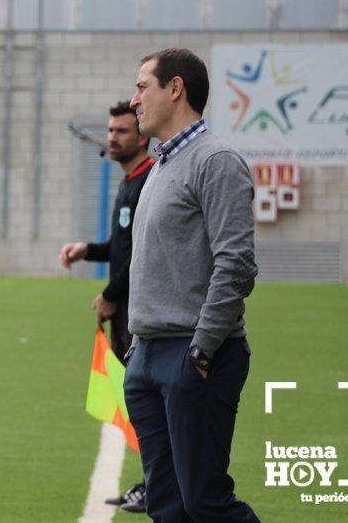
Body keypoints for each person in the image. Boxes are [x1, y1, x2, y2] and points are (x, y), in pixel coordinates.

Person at [124, 48, 259, 522]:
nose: (134, 99)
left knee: (206, 502)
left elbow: (237, 264)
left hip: (195, 355)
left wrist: (201, 352)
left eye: (143, 87)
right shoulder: (161, 167)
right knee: (167, 508)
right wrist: (137, 352)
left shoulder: (216, 160)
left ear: (175, 88)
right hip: (148, 359)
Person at [59, 100, 153, 514]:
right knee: (140, 405)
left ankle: (158, 486)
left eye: (122, 131)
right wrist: (89, 251)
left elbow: (143, 257)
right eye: (111, 131)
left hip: (141, 316)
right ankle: (155, 482)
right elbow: (121, 248)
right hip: (127, 315)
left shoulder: (148, 181)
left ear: (142, 136)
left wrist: (110, 295)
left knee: (148, 406)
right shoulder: (129, 181)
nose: (113, 137)